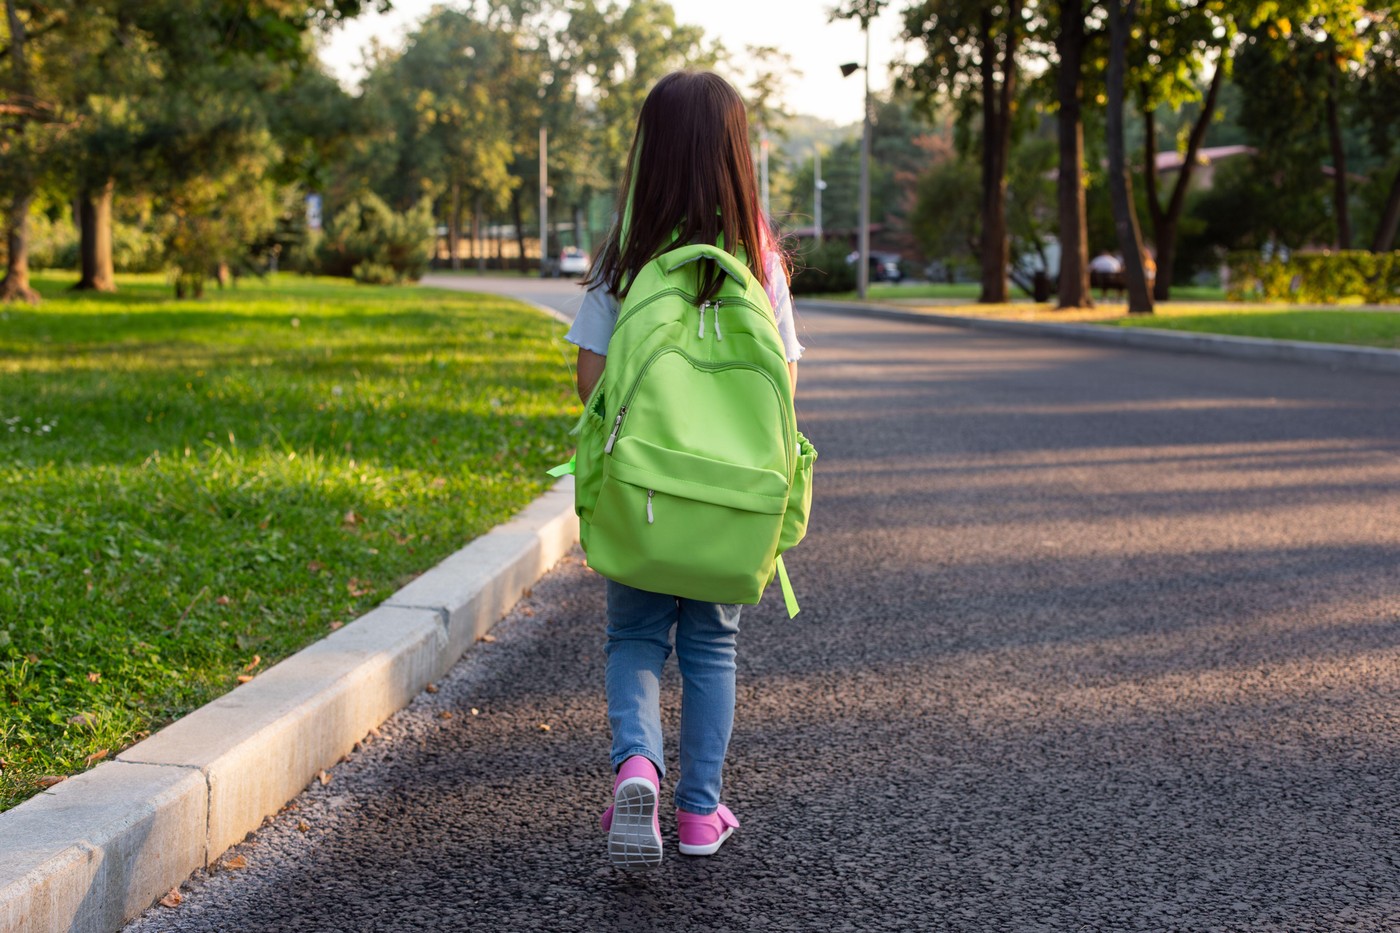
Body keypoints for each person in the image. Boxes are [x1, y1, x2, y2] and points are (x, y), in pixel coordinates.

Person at [563, 70, 804, 870]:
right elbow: (785, 393)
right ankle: (700, 813)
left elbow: (591, 381)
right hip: (730, 501)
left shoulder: (626, 254)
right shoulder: (758, 257)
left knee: (633, 632)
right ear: (737, 153)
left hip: (646, 493)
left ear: (649, 151)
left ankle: (637, 767)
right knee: (711, 646)